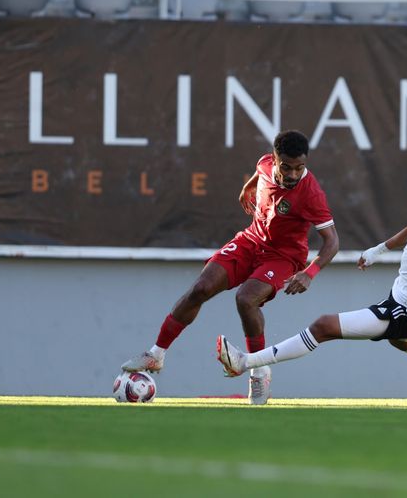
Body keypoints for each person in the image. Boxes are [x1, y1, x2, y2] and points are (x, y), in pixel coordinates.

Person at [217, 156, 407, 407]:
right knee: (402, 341)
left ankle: (244, 362)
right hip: (401, 302)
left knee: (323, 326)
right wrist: (379, 250)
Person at [122, 130, 339, 405]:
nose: (294, 174)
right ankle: (156, 354)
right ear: (275, 159)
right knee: (200, 288)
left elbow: (332, 241)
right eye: (287, 167)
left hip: (283, 256)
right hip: (251, 241)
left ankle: (259, 372)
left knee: (246, 299)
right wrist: (248, 187)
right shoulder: (265, 164)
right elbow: (259, 172)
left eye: (300, 168)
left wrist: (309, 273)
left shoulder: (311, 194)